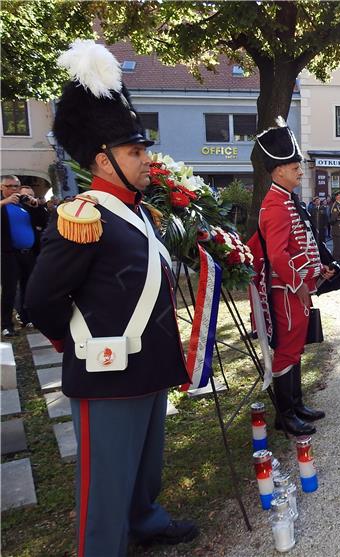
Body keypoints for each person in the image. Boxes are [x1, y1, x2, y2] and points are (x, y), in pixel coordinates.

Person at [24, 40, 197, 554]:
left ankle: (144, 520)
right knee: (104, 489)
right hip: (107, 372)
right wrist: (80, 343)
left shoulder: (138, 212)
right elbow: (41, 299)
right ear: (104, 160)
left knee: (144, 466)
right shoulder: (83, 215)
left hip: (146, 366)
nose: (147, 160)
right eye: (135, 152)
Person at [251, 119, 337, 436]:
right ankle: (285, 414)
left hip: (296, 289)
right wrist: (299, 284)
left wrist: (316, 271)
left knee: (296, 347)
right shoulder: (275, 205)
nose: (300, 171)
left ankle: (296, 405)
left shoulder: (286, 200)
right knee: (286, 349)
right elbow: (277, 255)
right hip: (286, 291)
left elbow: (300, 246)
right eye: (295, 166)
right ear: (279, 171)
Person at [1, 176, 48, 336]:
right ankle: (6, 324)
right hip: (8, 254)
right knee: (10, 290)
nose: (14, 189)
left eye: (17, 186)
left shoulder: (23, 206)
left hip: (28, 252)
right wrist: (4, 202)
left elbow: (44, 220)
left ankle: (27, 318)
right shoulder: (3, 205)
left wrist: (35, 206)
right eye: (11, 186)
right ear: (2, 187)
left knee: (29, 288)